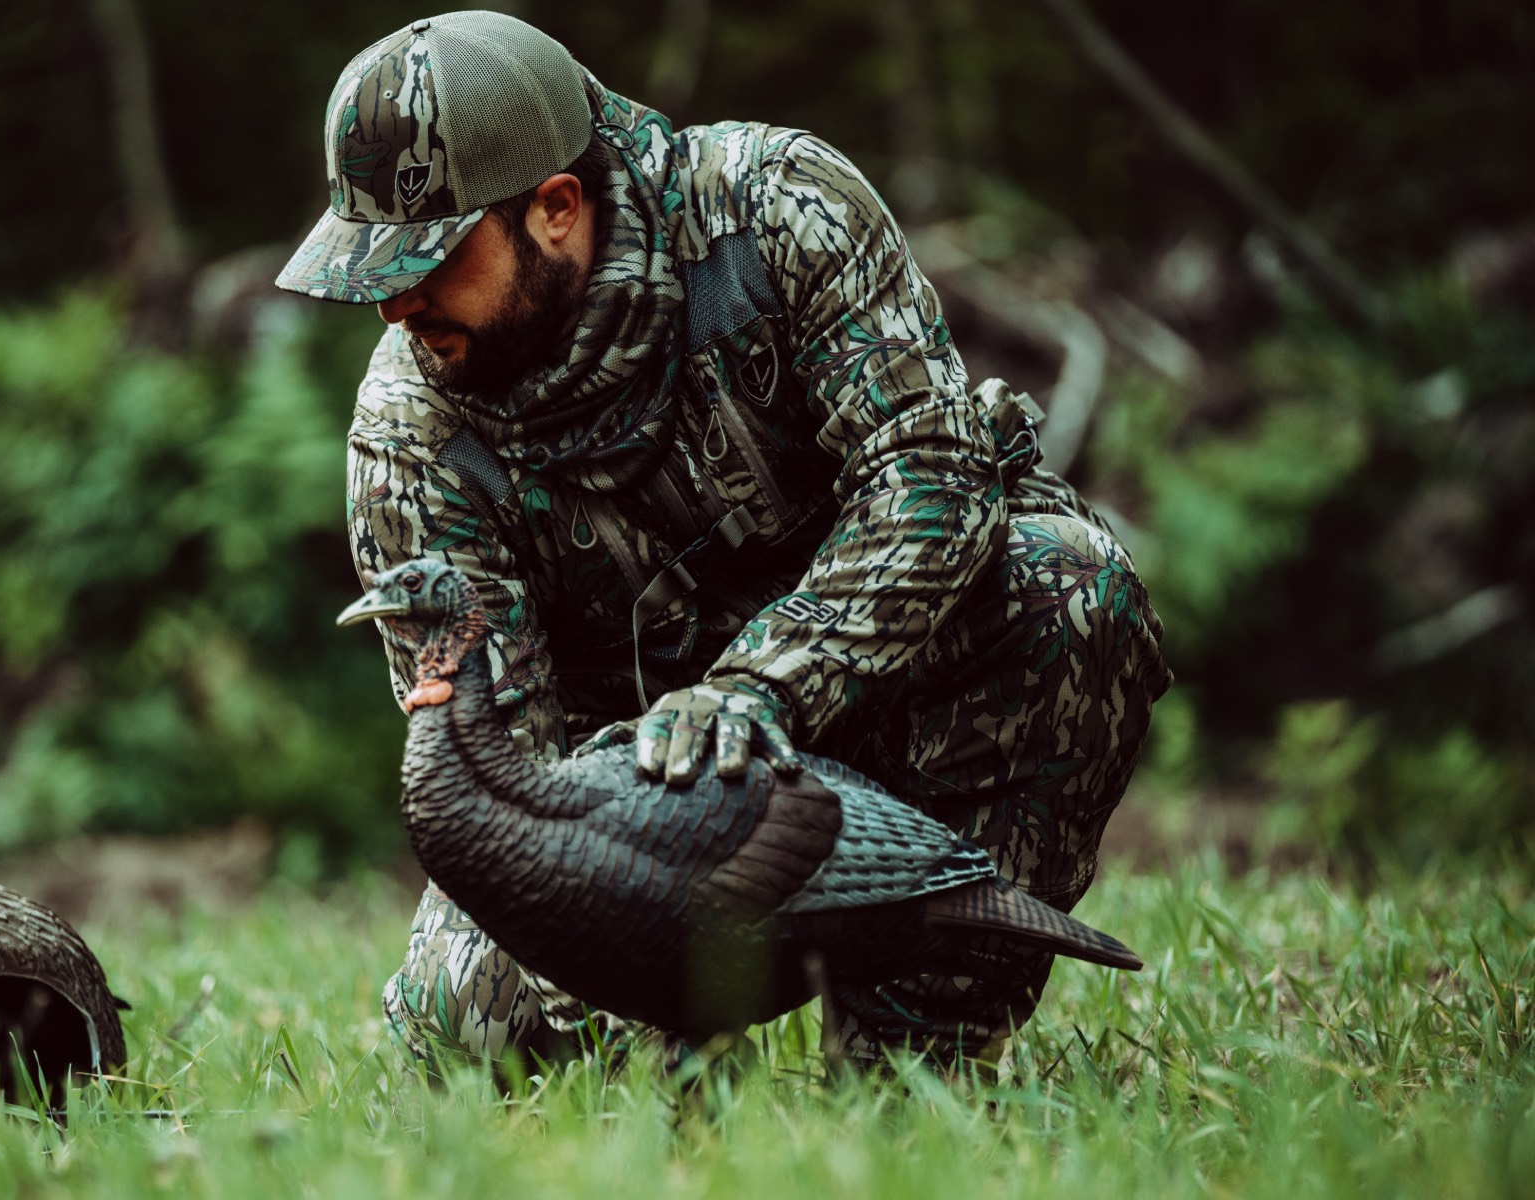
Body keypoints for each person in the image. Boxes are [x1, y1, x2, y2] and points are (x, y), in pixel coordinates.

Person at [277, 10, 1172, 1071]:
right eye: (370, 270)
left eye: (426, 258)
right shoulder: (409, 431)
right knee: (468, 1021)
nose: (394, 307)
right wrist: (651, 999)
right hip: (624, 810)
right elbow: (502, 767)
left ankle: (915, 1067)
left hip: (860, 703)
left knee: (1069, 588)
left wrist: (760, 691)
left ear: (556, 208)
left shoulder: (775, 211)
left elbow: (929, 479)